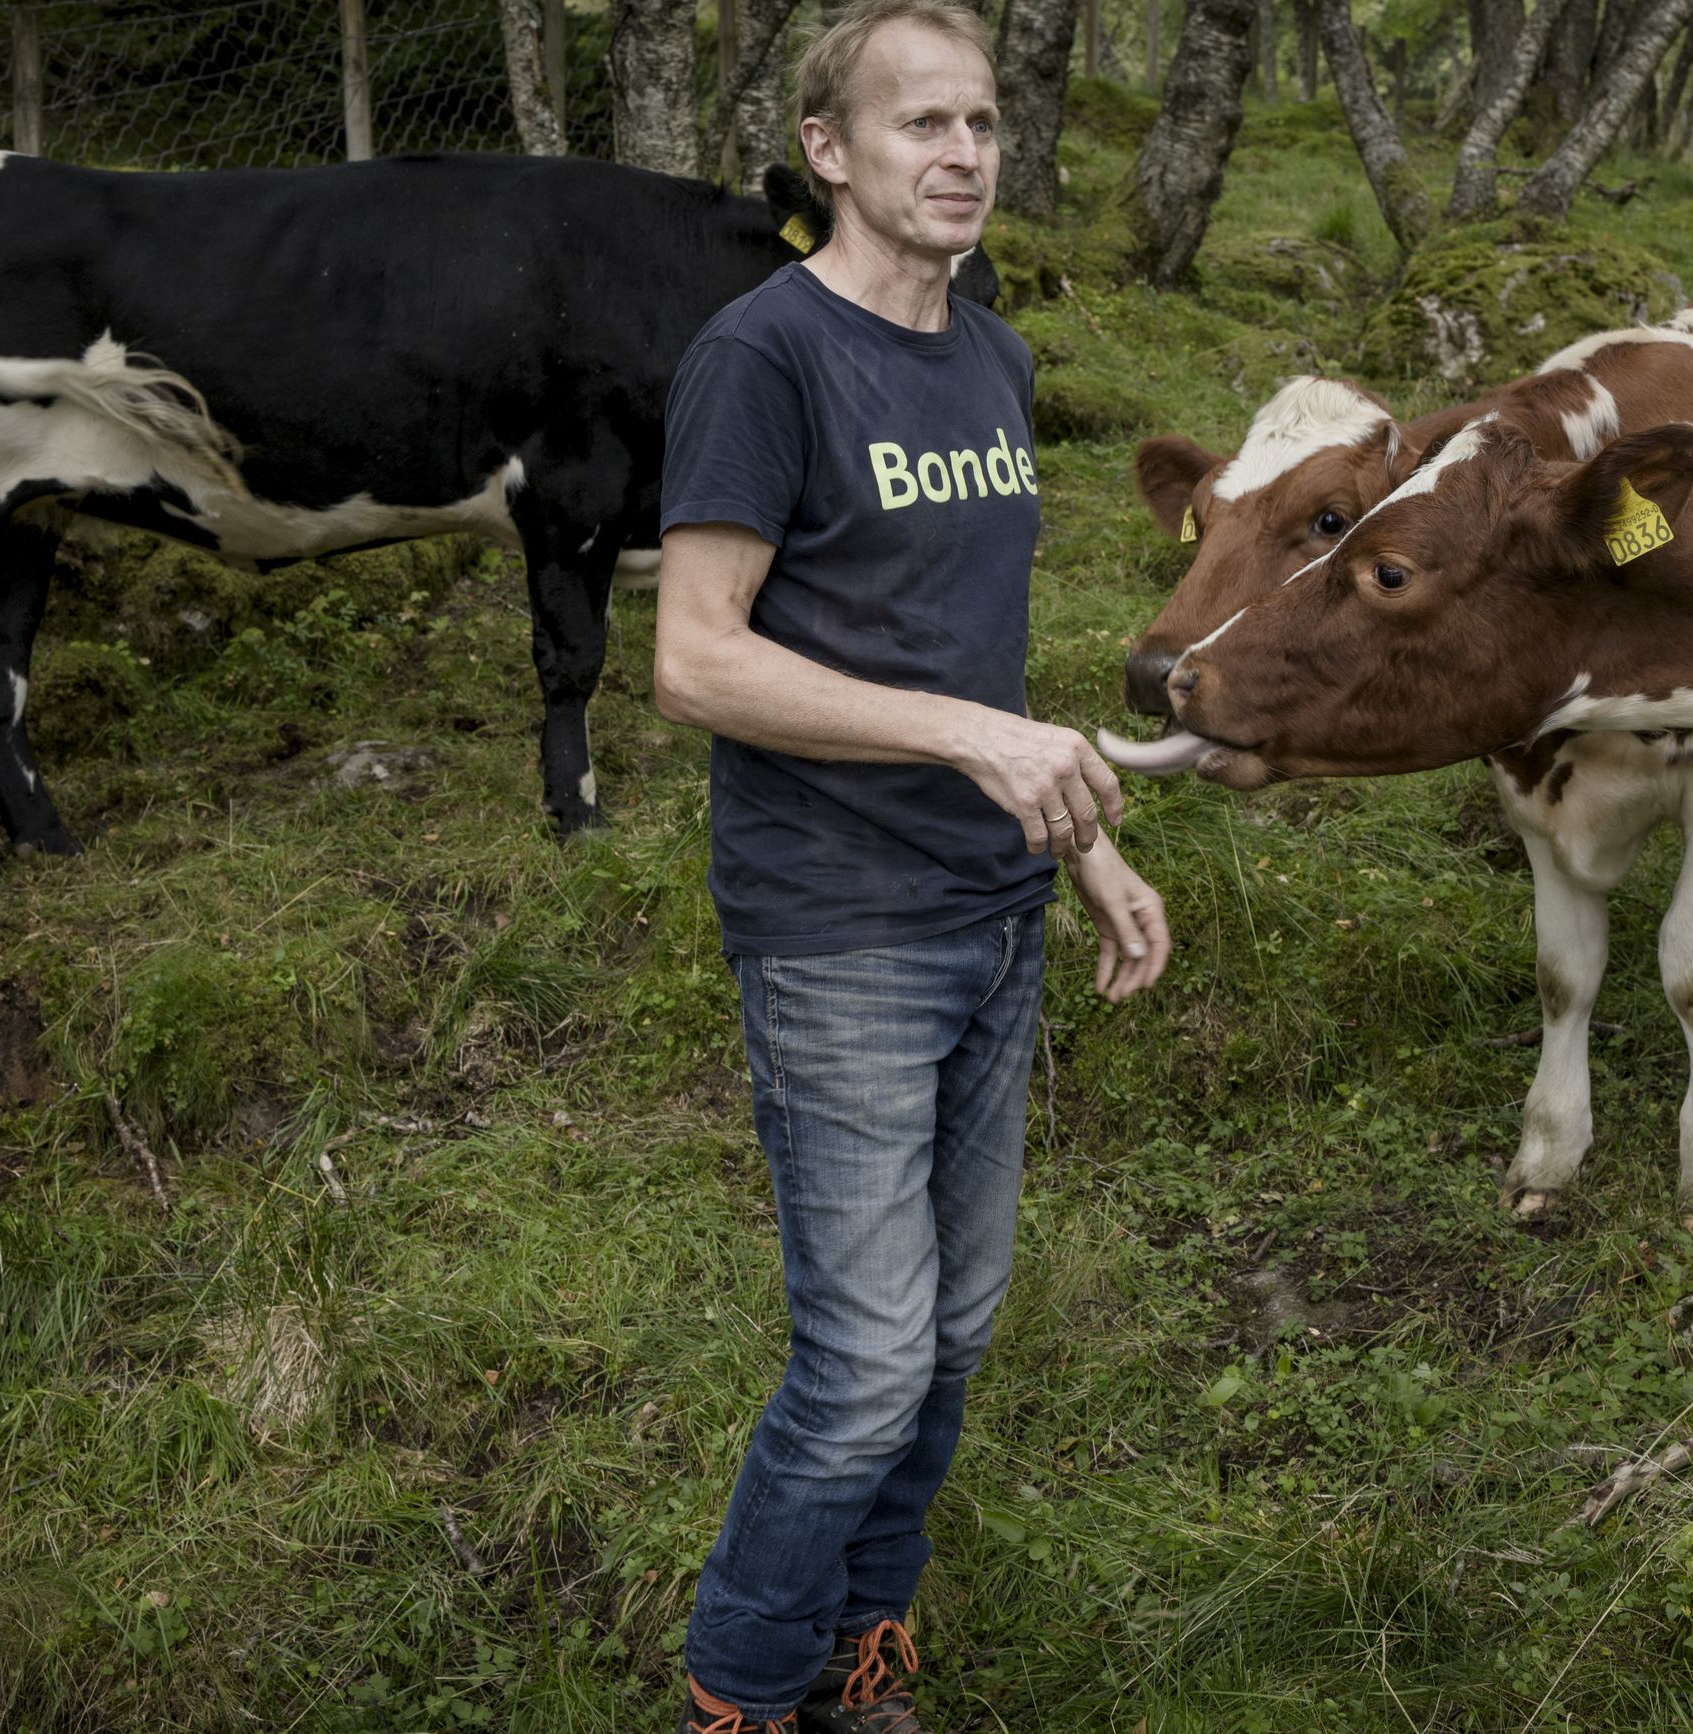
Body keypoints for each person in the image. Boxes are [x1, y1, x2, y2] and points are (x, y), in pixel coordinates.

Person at [650, 3, 1173, 1730]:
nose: (963, 155)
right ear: (829, 150)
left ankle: (857, 1643)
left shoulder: (994, 358)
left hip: (995, 913)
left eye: (983, 124)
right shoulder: (763, 357)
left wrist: (1078, 839)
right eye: (921, 123)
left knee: (952, 1334)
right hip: (840, 926)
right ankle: (741, 1687)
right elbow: (694, 660)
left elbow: (967, 656)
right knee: (867, 1357)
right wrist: (967, 742)